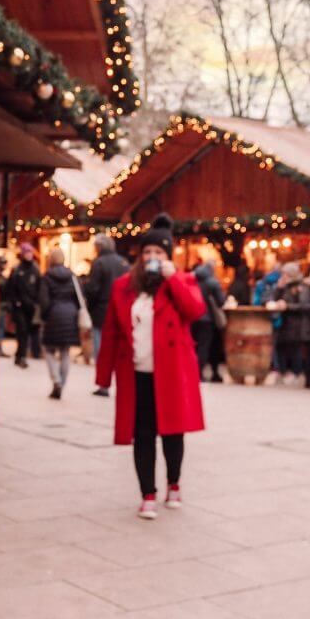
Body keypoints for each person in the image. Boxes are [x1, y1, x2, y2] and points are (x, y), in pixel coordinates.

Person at [96, 214, 206, 519]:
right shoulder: (123, 286)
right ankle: (147, 493)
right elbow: (111, 331)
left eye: (159, 253)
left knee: (173, 432)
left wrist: (173, 279)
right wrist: (103, 377)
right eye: (148, 253)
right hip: (137, 374)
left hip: (171, 373)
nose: (152, 258)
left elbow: (195, 311)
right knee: (142, 433)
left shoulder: (182, 281)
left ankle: (174, 483)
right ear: (140, 256)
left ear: (168, 256)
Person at [85, 234, 130, 397]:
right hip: (123, 310)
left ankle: (103, 384)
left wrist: (89, 301)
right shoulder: (123, 262)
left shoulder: (99, 263)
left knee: (101, 347)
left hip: (102, 310)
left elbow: (93, 289)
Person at [38, 247, 80, 399]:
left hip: (53, 314)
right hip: (70, 314)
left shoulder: (47, 277)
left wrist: (45, 315)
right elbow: (79, 298)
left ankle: (56, 380)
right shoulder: (72, 276)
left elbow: (44, 300)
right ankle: (62, 382)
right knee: (65, 352)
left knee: (48, 350)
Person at [5, 243, 41, 368]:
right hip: (19, 306)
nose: (29, 255)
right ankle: (22, 356)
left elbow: (39, 287)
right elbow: (10, 288)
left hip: (31, 306)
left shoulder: (35, 269)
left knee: (30, 331)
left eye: (30, 252)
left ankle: (23, 354)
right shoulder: (17, 270)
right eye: (26, 253)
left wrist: (37, 302)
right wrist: (15, 302)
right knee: (22, 331)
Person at [271, 262, 307, 384]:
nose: (283, 276)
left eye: (285, 274)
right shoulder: (284, 286)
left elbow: (303, 305)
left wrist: (288, 306)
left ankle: (295, 372)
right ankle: (283, 371)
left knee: (294, 348)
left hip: (296, 322)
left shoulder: (299, 286)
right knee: (280, 346)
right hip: (284, 321)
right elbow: (275, 299)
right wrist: (279, 288)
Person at [192, 261, 226, 382]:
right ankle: (199, 374)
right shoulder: (212, 282)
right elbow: (221, 301)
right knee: (204, 347)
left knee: (193, 346)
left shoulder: (192, 278)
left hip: (192, 316)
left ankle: (193, 372)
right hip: (206, 319)